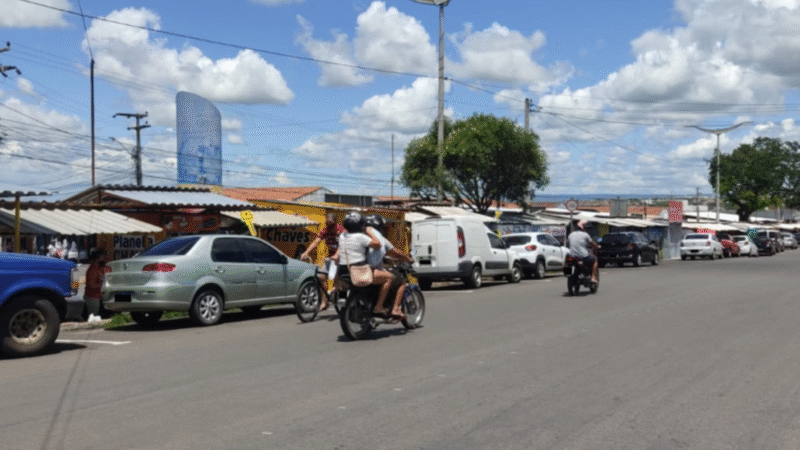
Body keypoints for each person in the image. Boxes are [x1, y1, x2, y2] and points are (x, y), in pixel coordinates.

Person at [364, 214, 413, 320]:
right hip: (369, 271)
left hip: (355, 271)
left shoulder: (359, 235)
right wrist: (408, 258)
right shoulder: (379, 237)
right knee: (401, 281)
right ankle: (392, 308)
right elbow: (394, 251)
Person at [300, 213, 345, 310]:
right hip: (330, 257)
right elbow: (316, 241)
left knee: (337, 278)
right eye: (327, 222)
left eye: (330, 222)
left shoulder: (340, 230)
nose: (328, 224)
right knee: (321, 277)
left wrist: (337, 254)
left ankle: (340, 294)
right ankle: (325, 302)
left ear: (335, 222)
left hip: (342, 257)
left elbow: (343, 244)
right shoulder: (325, 230)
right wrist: (306, 252)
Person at [84, 247, 110, 321]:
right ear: (98, 258)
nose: (104, 258)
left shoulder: (101, 268)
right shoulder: (92, 270)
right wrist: (103, 286)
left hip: (100, 297)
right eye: (102, 256)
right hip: (92, 298)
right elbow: (92, 285)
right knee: (93, 317)